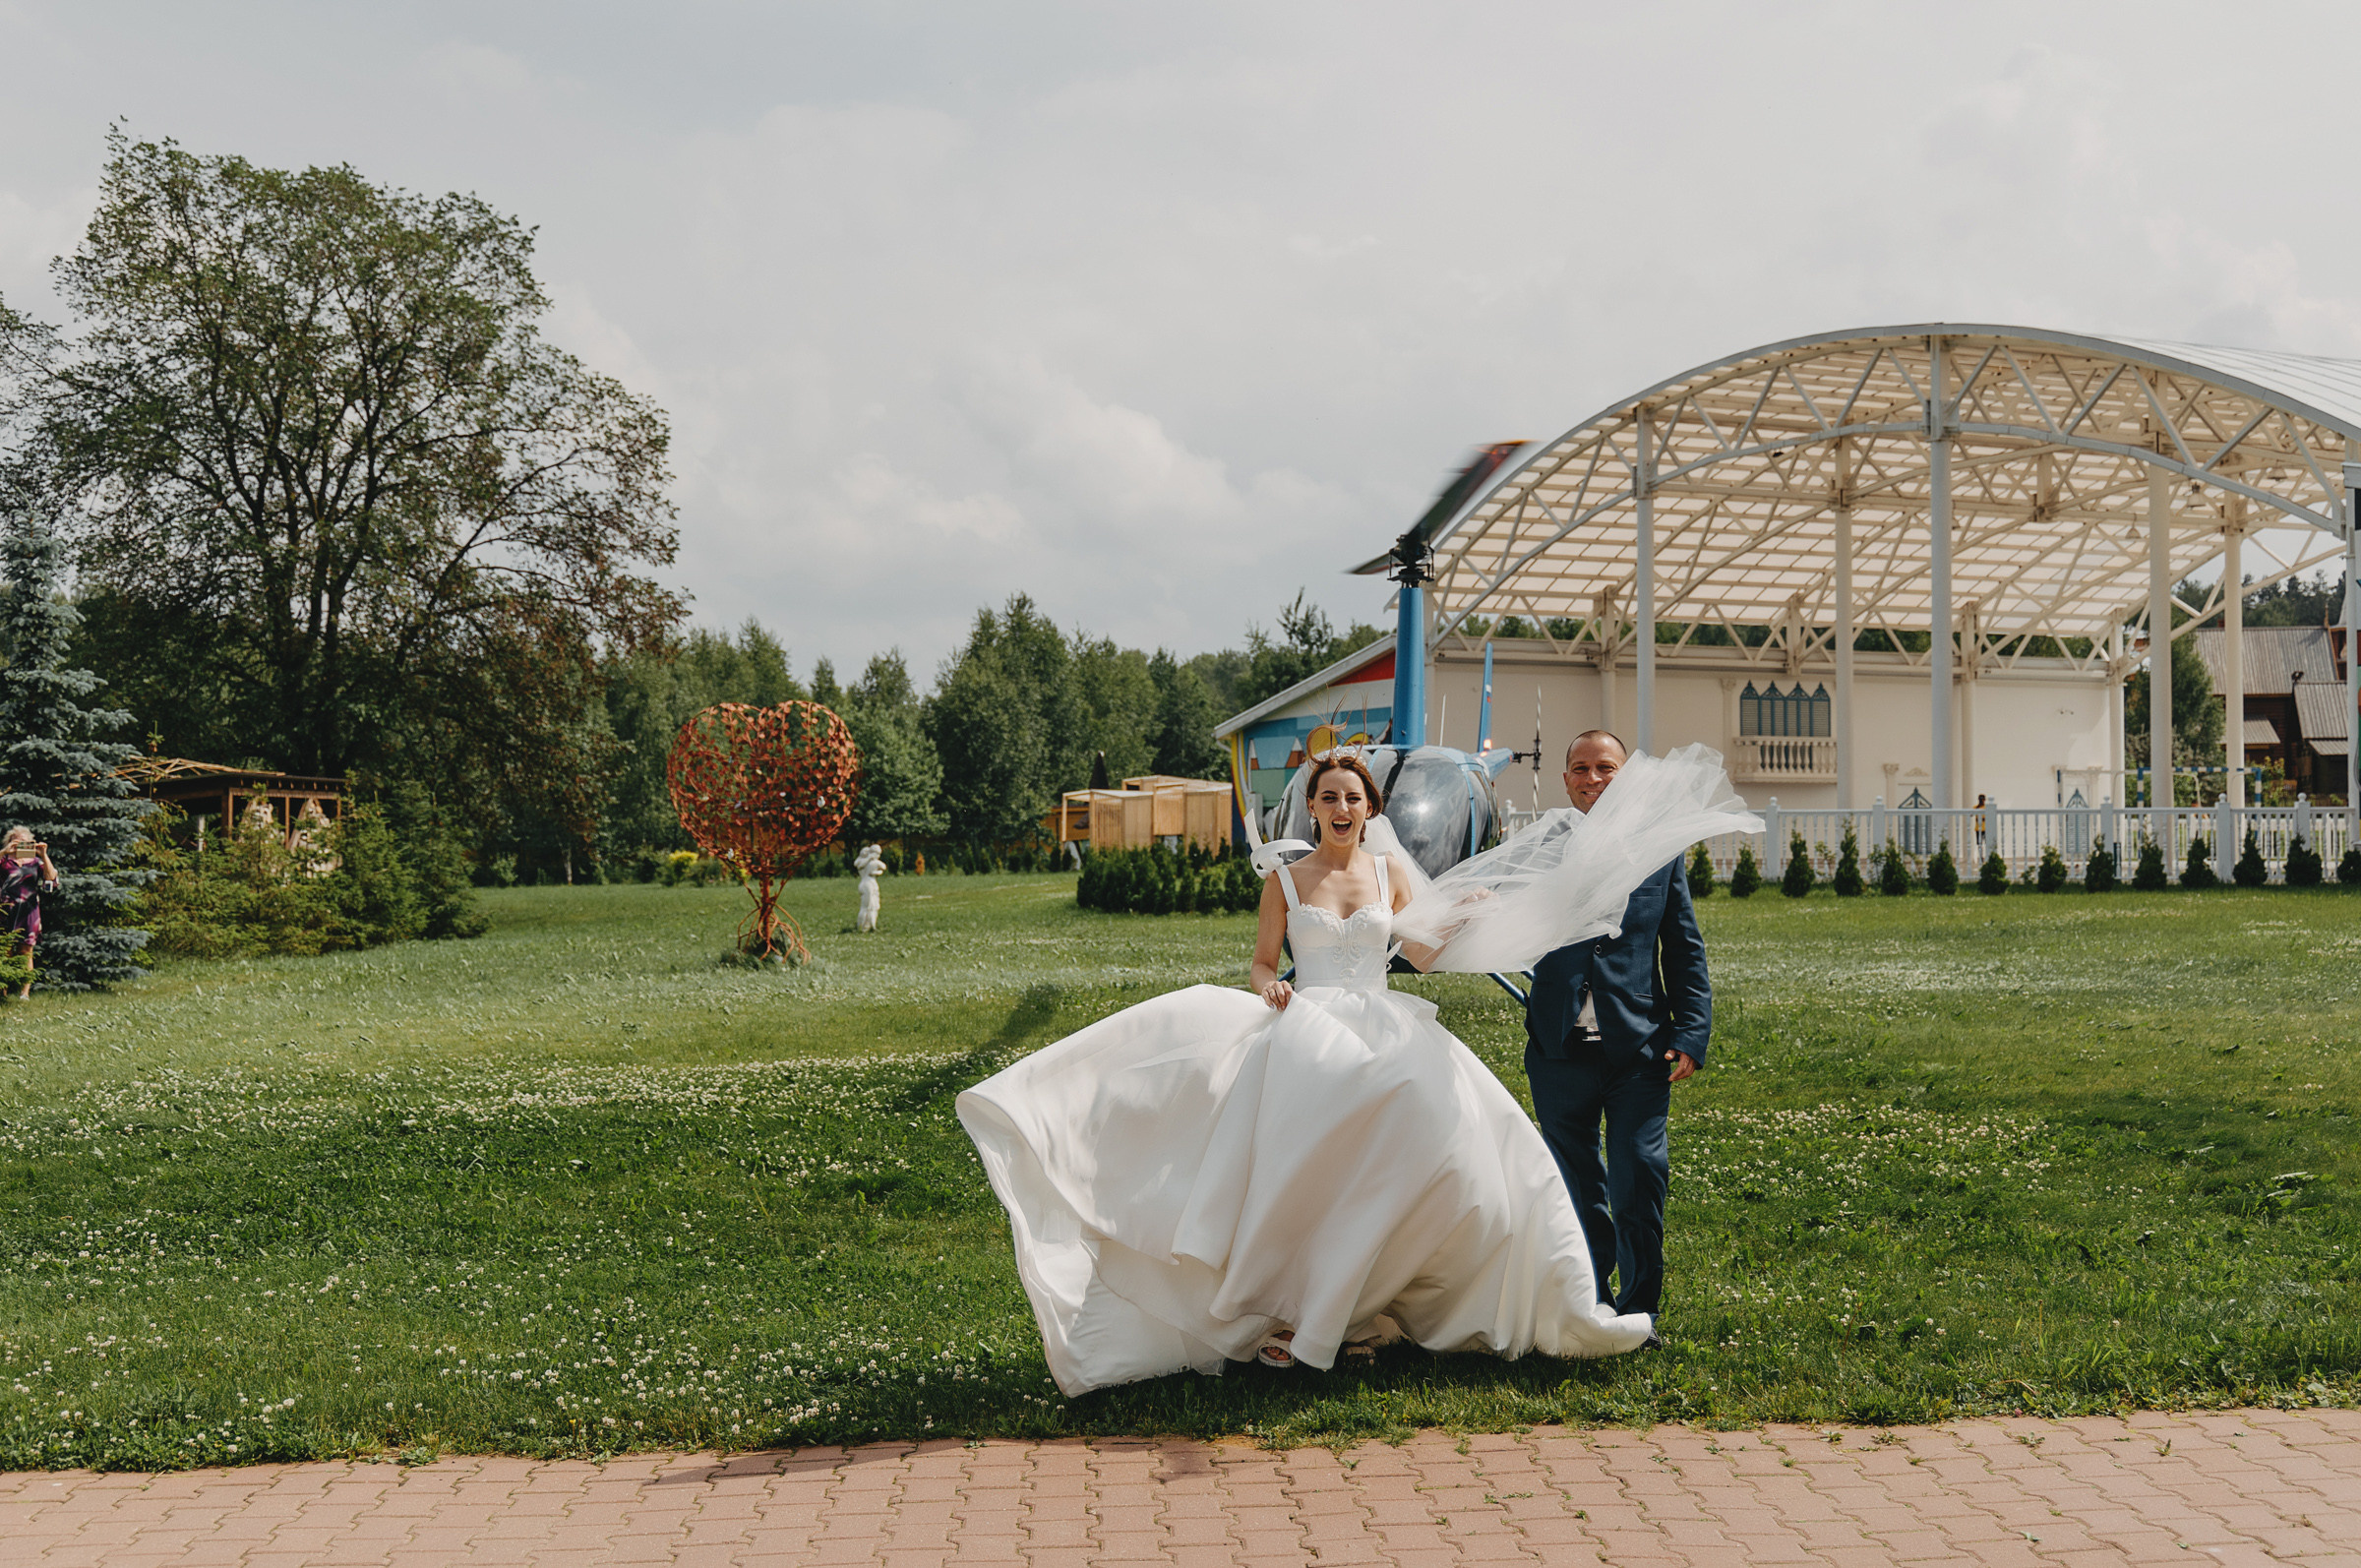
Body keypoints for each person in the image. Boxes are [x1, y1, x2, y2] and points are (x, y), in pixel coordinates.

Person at [958, 745, 1756, 1396]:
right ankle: (1291, 1311)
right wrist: (1266, 982)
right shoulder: (1285, 878)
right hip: (1306, 1030)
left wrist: (1467, 916)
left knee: (1427, 1149)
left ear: (1372, 810)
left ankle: (1381, 1301)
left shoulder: (1391, 874)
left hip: (1382, 1027)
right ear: (1313, 806)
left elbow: (1420, 952)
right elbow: (1263, 957)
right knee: (1296, 1175)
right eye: (1331, 796)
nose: (1343, 808)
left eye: (1355, 798)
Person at [1523, 730, 1709, 1342]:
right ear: (1566, 779)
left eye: (1606, 767)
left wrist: (1691, 1030)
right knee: (1575, 1186)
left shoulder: (1660, 851)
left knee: (1637, 1176)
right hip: (1558, 1050)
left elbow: (1682, 946)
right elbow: (1489, 917)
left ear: (1626, 777)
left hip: (1639, 1047)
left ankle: (1641, 1311)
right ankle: (1590, 1304)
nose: (1593, 778)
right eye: (1581, 768)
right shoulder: (1539, 848)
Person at [0, 827, 58, 1000]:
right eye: (17, 841)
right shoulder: (3, 860)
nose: (21, 845)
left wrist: (43, 855)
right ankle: (2, 991)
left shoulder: (35, 862)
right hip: (4, 910)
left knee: (26, 952)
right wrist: (4, 851)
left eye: (25, 841)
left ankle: (24, 993)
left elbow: (51, 879)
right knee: (5, 951)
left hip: (29, 911)